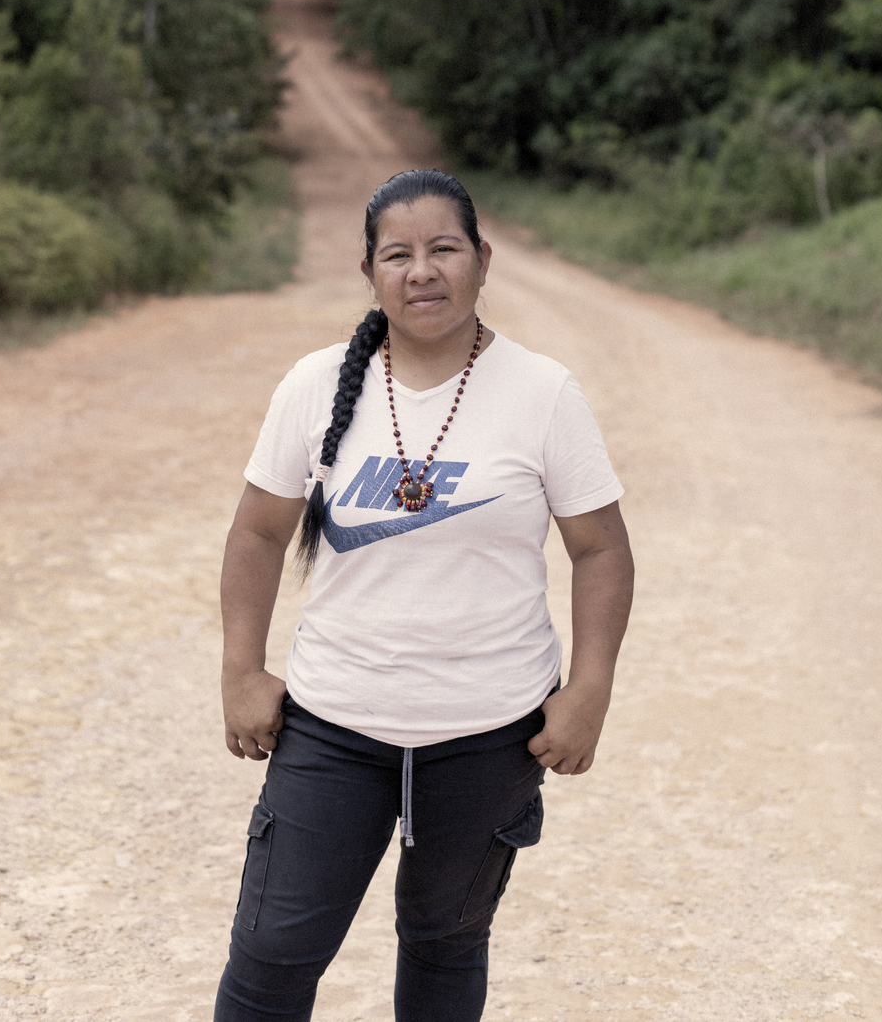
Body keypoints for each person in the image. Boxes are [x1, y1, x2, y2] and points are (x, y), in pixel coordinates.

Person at [214, 168, 634, 1022]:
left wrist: (589, 691)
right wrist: (240, 671)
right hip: (333, 725)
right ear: (368, 273)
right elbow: (258, 532)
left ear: (483, 259)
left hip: (488, 734)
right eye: (397, 254)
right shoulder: (314, 385)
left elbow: (601, 551)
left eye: (444, 248)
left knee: (445, 946)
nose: (422, 271)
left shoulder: (543, 393)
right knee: (272, 956)